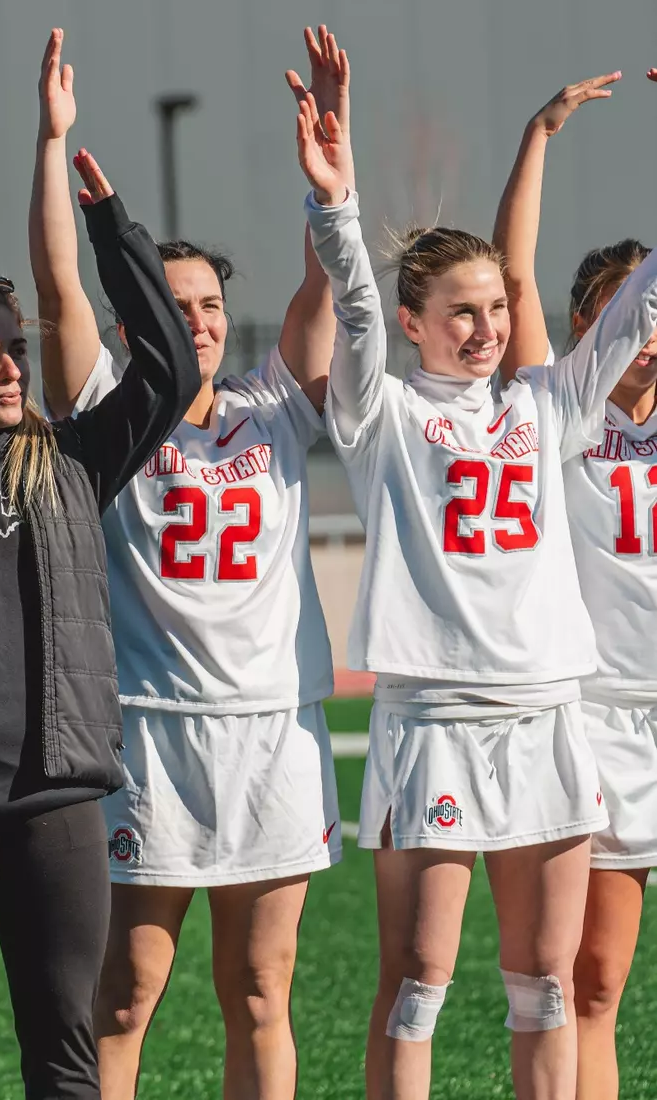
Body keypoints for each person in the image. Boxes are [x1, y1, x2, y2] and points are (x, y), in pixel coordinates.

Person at [302, 63, 657, 1099]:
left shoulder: (548, 405)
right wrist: (336, 200)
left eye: (496, 308)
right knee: (418, 982)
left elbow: (641, 303)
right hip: (435, 719)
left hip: (549, 715)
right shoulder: (387, 419)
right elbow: (355, 316)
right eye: (461, 311)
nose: (486, 328)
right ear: (417, 323)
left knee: (545, 981)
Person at [0, 31, 202, 1099]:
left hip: (58, 790)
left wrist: (113, 226)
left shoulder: (67, 460)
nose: (12, 364)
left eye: (18, 348)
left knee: (64, 1040)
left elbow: (169, 363)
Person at [38, 28, 350, 1099]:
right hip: (154, 732)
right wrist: (52, 146)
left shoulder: (275, 409)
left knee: (263, 986)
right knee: (126, 988)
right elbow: (59, 290)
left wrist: (329, 183)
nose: (200, 322)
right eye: (176, 308)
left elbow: (328, 294)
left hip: (272, 728)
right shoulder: (113, 418)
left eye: (212, 305)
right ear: (142, 324)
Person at [492, 67, 657, 1100]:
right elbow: (511, 281)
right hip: (601, 715)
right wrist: (539, 134)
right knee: (592, 976)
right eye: (618, 313)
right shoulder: (563, 415)